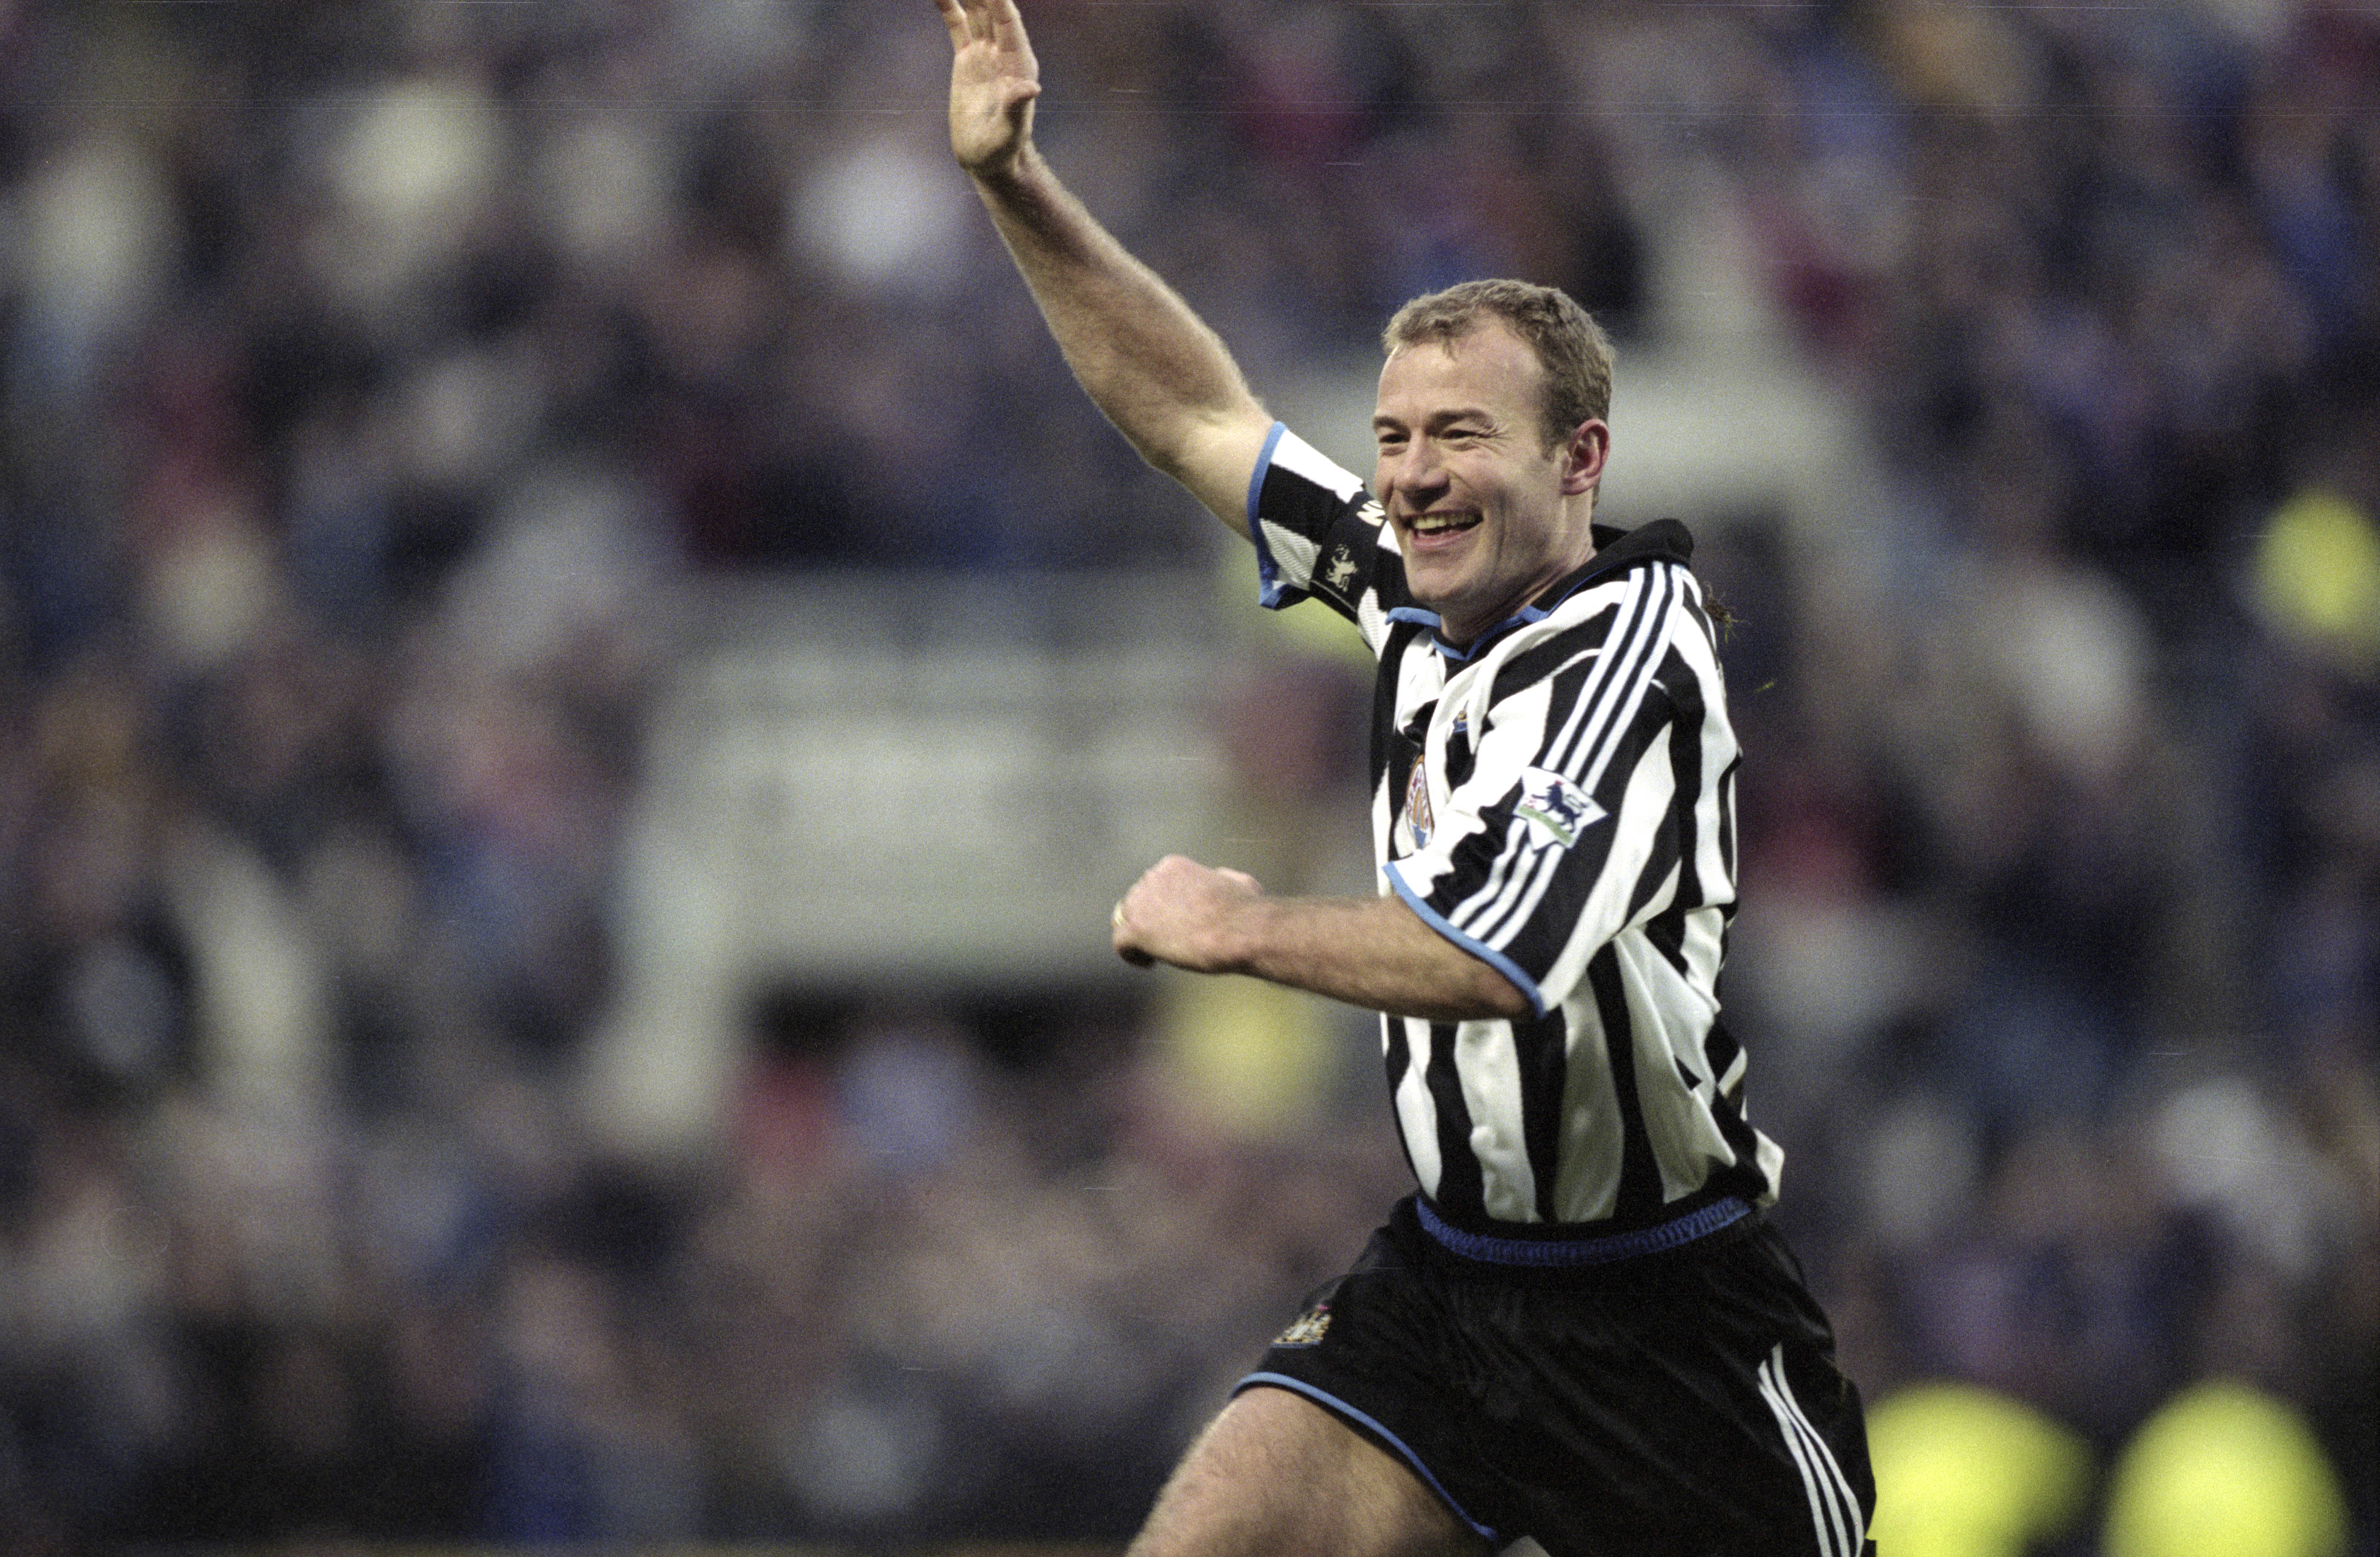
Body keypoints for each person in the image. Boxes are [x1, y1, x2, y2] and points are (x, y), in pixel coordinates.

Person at [932, 1, 1877, 1553]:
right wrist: (1014, 183)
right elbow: (1194, 412)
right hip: (1447, 1286)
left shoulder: (1630, 653)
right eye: (1389, 438)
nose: (1411, 474)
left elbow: (1489, 958)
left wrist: (1238, 927)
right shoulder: (1409, 587)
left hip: (1669, 1326)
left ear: (1578, 460)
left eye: (1459, 435)